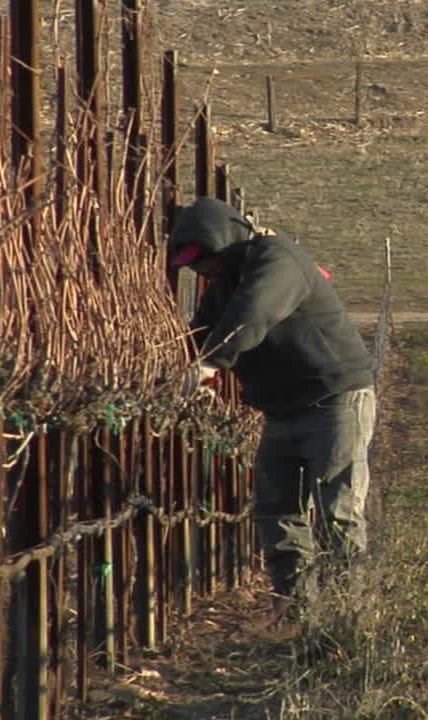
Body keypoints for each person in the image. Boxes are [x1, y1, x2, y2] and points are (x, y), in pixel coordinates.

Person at [168, 196, 377, 626]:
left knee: (336, 510)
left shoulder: (278, 259)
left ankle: (346, 621)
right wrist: (175, 373)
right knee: (276, 510)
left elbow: (255, 312)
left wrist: (211, 364)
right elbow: (202, 331)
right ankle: (295, 615)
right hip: (282, 410)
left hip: (333, 400)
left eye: (203, 260)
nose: (200, 272)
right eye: (193, 266)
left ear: (222, 241)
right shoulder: (225, 280)